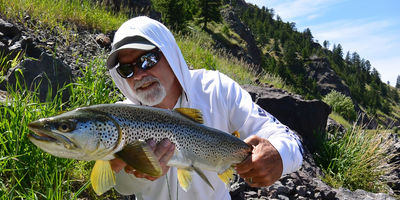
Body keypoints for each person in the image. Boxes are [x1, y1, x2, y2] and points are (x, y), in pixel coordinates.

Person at [107, 16, 303, 200]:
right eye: (127, 69)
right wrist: (139, 173)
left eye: (147, 60)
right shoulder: (120, 119)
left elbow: (287, 138)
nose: (139, 75)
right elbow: (122, 188)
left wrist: (279, 155)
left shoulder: (217, 89)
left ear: (170, 52)